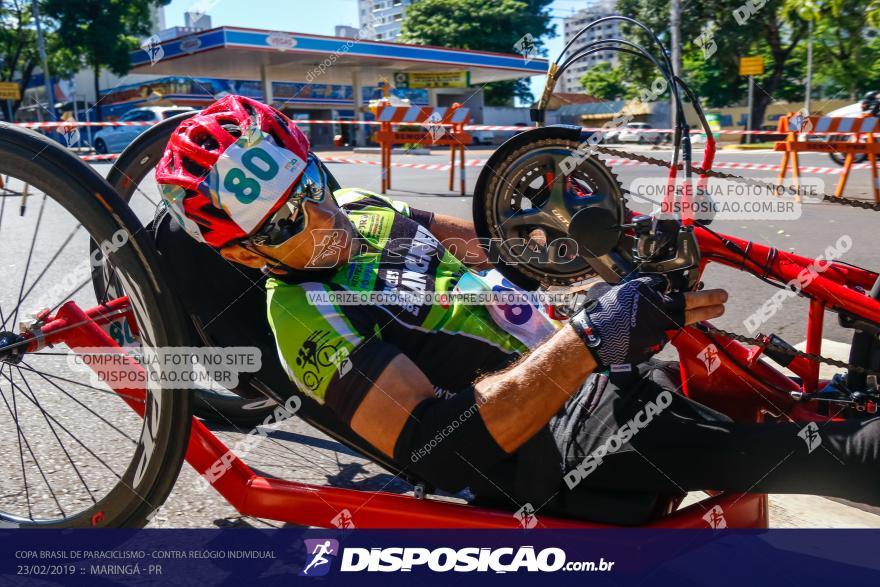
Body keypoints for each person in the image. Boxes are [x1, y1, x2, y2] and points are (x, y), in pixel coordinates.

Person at [155, 95, 880, 523]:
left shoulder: (355, 205)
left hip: (588, 366)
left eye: (310, 182)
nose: (320, 219)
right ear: (244, 253)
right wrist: (587, 341)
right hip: (559, 446)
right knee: (823, 455)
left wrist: (588, 246)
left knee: (763, 372)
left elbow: (482, 246)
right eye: (286, 223)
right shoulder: (304, 318)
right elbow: (442, 449)